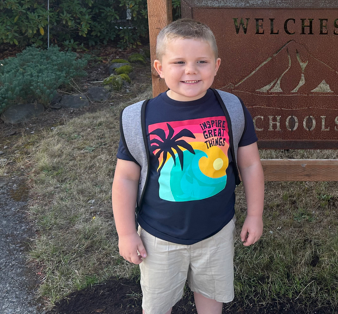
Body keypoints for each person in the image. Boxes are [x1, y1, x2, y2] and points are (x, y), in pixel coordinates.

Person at [112, 19, 264, 314]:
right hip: (158, 236)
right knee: (158, 305)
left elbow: (250, 164)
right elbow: (126, 179)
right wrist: (126, 234)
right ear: (159, 67)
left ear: (216, 65)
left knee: (211, 297)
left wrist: (255, 215)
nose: (191, 70)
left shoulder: (230, 108)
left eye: (201, 62)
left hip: (216, 231)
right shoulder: (140, 117)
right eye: (179, 61)